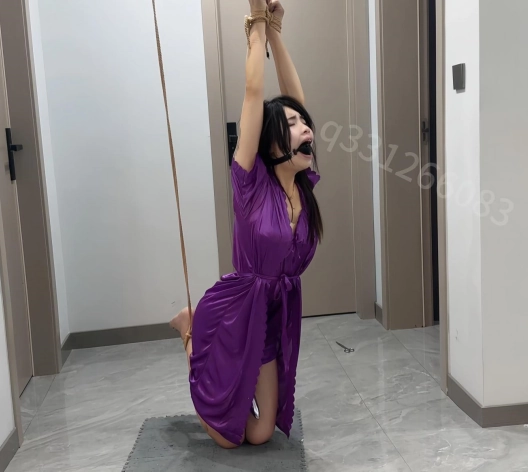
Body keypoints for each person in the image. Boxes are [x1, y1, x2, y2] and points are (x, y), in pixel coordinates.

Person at [169, 0, 323, 449]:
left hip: (273, 317)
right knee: (228, 439)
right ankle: (190, 333)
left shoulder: (304, 186)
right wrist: (256, 22)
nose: (305, 128)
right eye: (292, 124)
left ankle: (194, 332)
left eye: (305, 124)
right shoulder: (250, 184)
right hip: (236, 312)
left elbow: (296, 99)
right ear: (271, 142)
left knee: (260, 432)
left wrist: (276, 31)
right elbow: (255, 93)